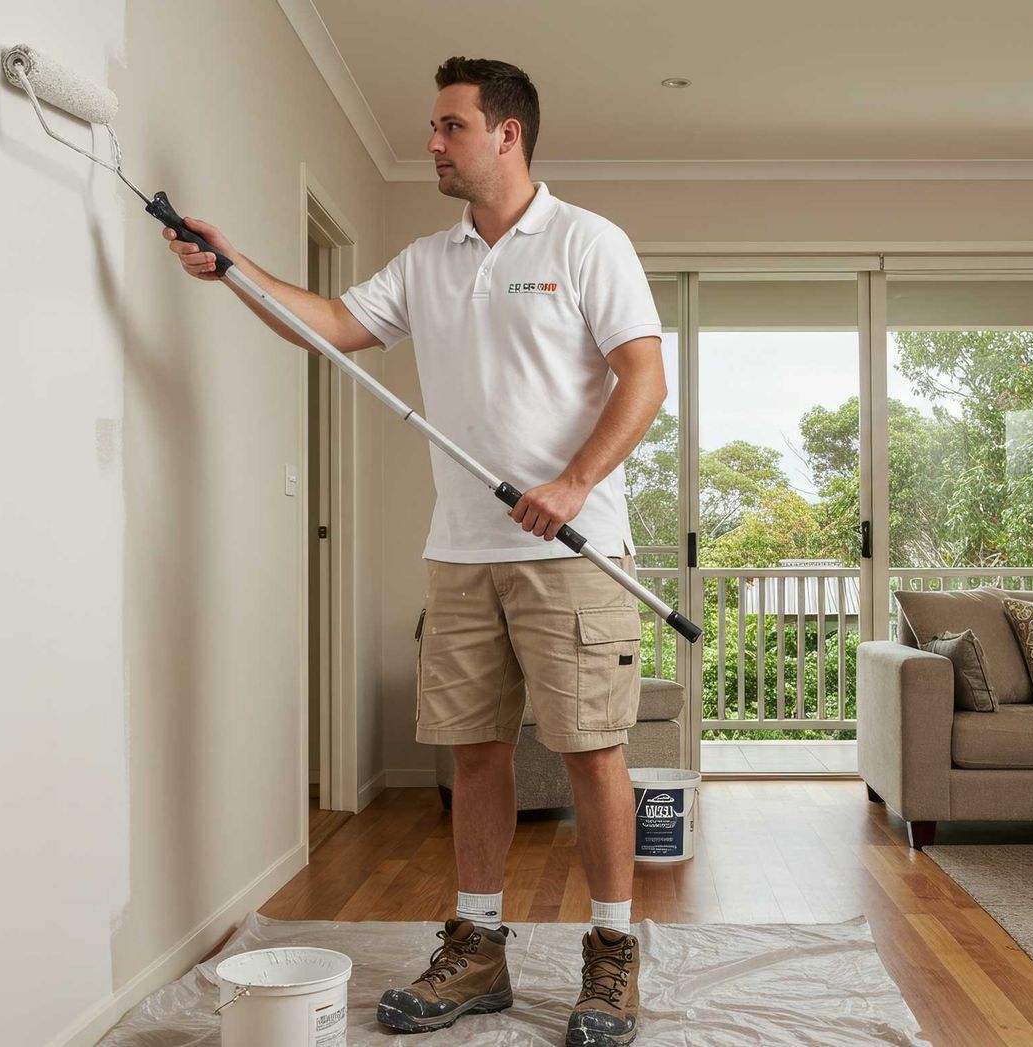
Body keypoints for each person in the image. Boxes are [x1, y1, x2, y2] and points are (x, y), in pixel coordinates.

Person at [163, 56, 664, 1046]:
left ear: (507, 134)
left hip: (573, 549)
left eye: (450, 127)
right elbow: (336, 327)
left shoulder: (586, 241)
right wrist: (234, 269)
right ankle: (477, 950)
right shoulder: (428, 264)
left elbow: (643, 378)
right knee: (475, 755)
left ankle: (611, 957)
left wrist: (570, 484)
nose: (432, 143)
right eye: (433, 129)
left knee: (593, 752)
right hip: (462, 551)